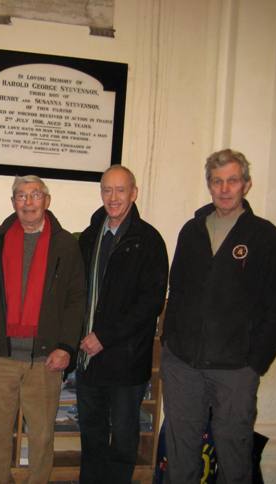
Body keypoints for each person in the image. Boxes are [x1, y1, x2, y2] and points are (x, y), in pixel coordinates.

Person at [161, 149, 276, 483]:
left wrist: (255, 365)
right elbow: (176, 291)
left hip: (235, 370)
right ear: (209, 185)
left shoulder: (264, 237)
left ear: (246, 185)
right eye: (217, 181)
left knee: (234, 454)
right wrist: (169, 345)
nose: (224, 188)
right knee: (180, 454)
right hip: (183, 365)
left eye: (232, 180)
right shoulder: (192, 231)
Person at [0, 175, 86, 484]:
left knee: (42, 436)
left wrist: (67, 346)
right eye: (21, 196)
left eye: (35, 195)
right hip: (0, 356)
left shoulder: (65, 245)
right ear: (13, 203)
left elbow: (76, 300)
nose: (28, 202)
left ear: (47, 201)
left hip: (46, 359)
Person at [76, 165, 168, 483]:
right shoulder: (88, 237)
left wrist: (105, 336)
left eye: (120, 190)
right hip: (89, 358)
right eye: (107, 190)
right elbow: (77, 294)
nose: (113, 198)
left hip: (126, 359)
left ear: (134, 193)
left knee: (125, 438)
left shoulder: (149, 241)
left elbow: (150, 304)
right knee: (91, 434)